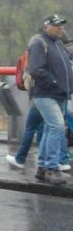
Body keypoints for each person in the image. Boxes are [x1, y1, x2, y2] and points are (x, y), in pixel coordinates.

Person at [26, 15, 73, 185]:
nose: (60, 28)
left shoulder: (58, 44)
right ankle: (52, 168)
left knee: (49, 128)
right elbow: (36, 69)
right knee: (57, 127)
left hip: (59, 93)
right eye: (56, 25)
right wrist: (55, 83)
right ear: (46, 27)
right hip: (46, 93)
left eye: (61, 25)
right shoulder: (39, 43)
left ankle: (43, 167)